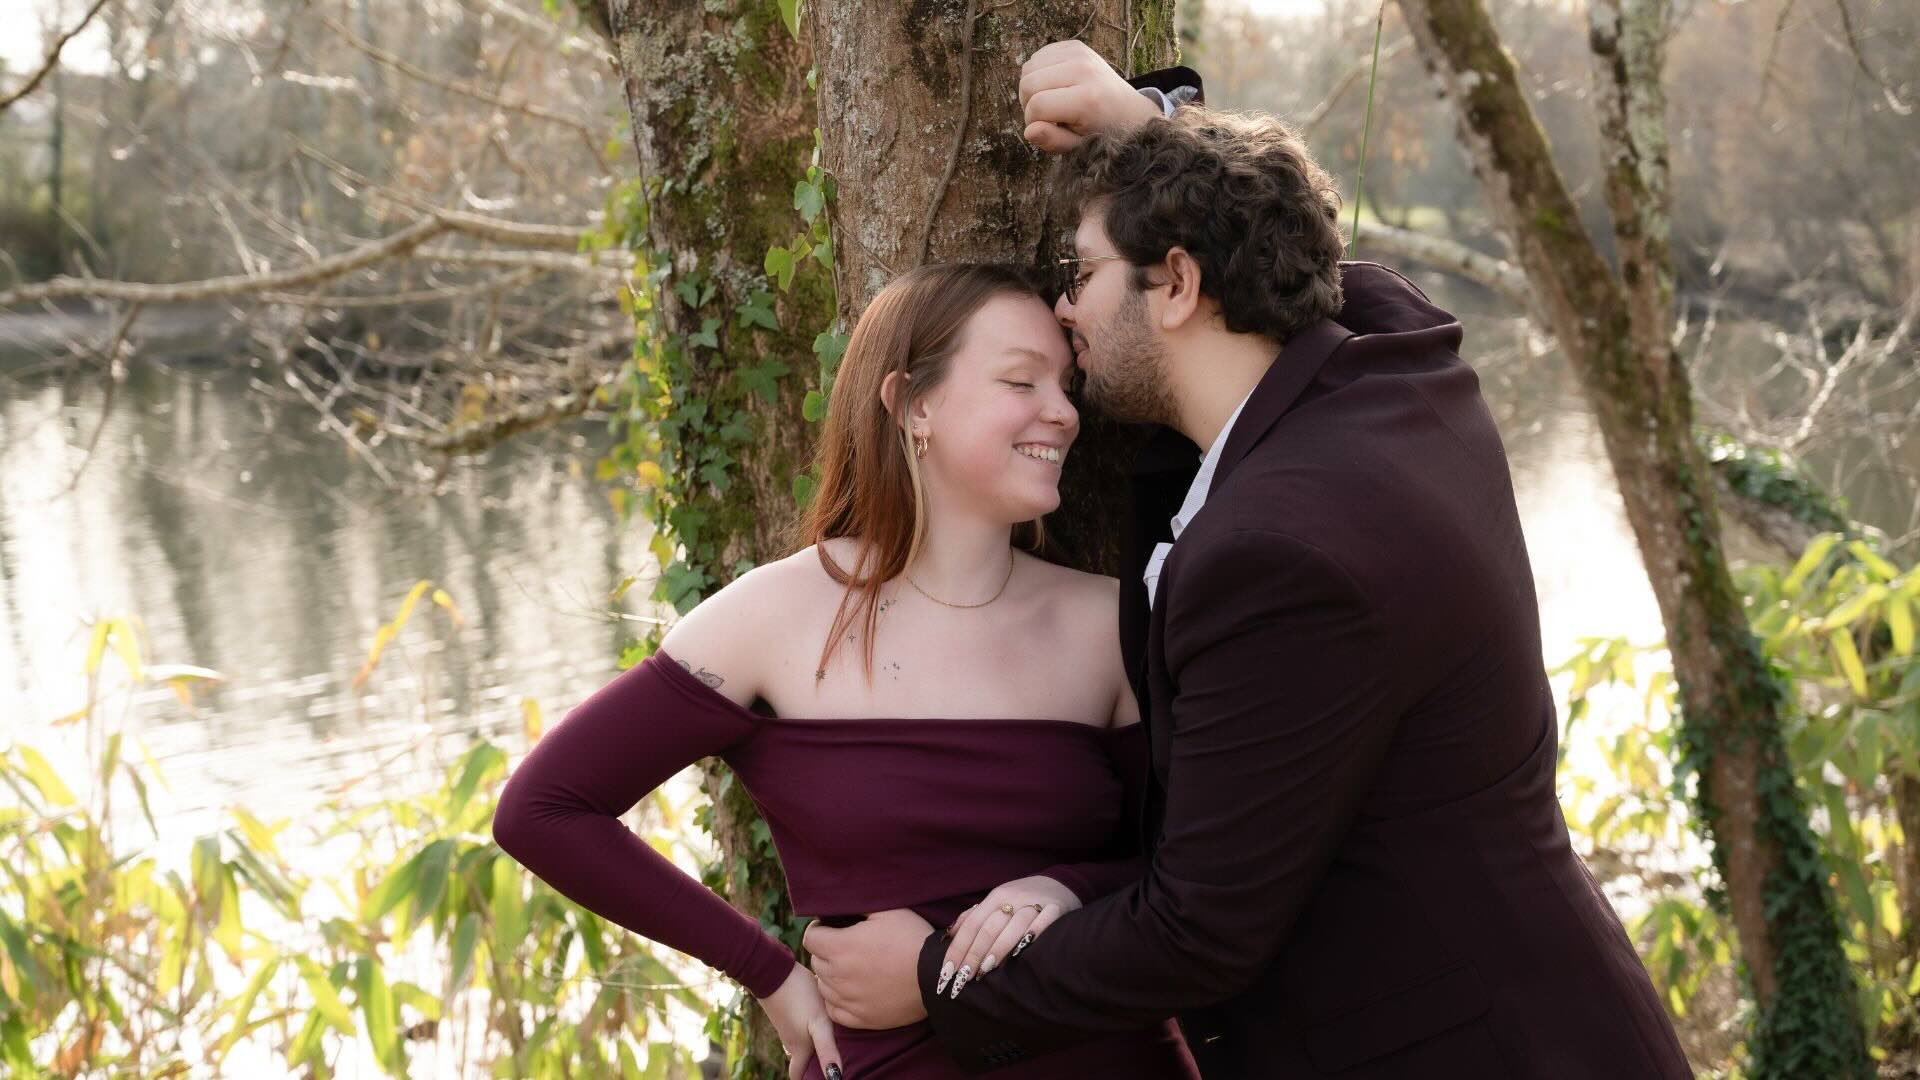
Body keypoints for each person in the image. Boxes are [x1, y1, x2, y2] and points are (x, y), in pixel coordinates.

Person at [799, 42, 1694, 1079]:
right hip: (1566, 1009)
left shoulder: (1275, 557)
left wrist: (936, 978)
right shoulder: (1414, 387)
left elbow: (1198, 930)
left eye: (1081, 274)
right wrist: (1153, 136)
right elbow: (1352, 283)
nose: (1063, 309)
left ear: (1177, 283)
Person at [490, 262, 1202, 1080]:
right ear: (912, 404)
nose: (1065, 413)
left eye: (1066, 386)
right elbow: (544, 810)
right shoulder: (771, 618)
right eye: (1021, 380)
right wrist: (768, 973)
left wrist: (1067, 888)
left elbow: (1199, 869)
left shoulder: (1112, 620)